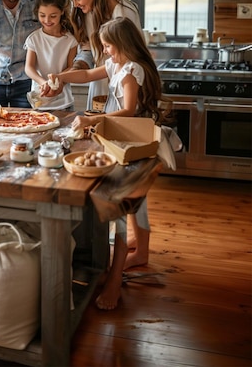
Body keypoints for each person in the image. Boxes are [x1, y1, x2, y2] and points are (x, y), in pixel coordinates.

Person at [48, 16, 172, 310]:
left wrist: (94, 118)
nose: (105, 52)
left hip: (136, 142)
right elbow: (89, 74)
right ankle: (138, 253)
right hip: (123, 139)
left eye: (108, 47)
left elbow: (129, 109)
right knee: (133, 201)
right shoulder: (118, 64)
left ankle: (115, 279)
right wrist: (60, 77)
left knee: (120, 203)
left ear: (124, 46)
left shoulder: (132, 71)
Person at [62, 0, 141, 110]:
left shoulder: (123, 11)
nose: (75, 5)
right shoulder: (86, 11)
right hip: (99, 81)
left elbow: (132, 54)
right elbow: (87, 49)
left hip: (124, 84)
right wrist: (76, 68)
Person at [24, 0, 78, 110]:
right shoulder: (34, 39)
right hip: (40, 101)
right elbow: (29, 67)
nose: (47, 20)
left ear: (62, 12)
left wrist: (58, 81)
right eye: (42, 15)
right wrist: (42, 82)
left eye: (53, 16)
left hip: (65, 102)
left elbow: (72, 67)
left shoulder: (70, 40)